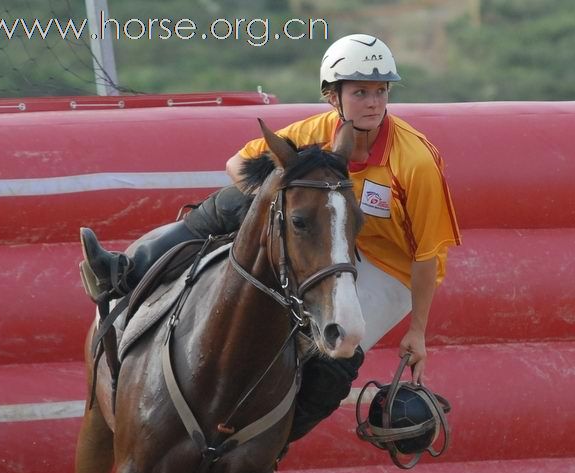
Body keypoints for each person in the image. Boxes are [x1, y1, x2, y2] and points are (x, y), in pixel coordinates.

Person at [79, 33, 461, 445]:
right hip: (323, 239)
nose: (373, 102)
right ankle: (125, 271)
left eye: (381, 91)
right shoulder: (316, 130)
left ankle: (276, 439)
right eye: (361, 91)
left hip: (391, 269)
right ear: (332, 96)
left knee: (335, 347)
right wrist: (269, 201)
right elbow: (238, 163)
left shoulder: (416, 160)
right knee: (237, 201)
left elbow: (426, 256)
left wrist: (417, 332)